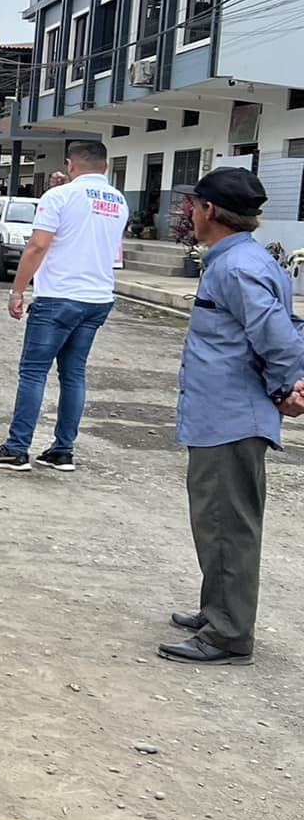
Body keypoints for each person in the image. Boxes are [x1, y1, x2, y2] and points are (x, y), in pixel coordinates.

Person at [160, 170, 304, 665]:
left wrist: (287, 387)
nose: (190, 213)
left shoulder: (238, 267)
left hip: (231, 417)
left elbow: (278, 336)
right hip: (221, 414)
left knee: (227, 525)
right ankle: (217, 611)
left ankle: (227, 634)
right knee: (216, 521)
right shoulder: (243, 259)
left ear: (208, 211)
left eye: (194, 205)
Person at [0, 139, 127, 472]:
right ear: (105, 165)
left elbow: (37, 246)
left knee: (33, 373)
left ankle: (17, 448)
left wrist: (17, 291)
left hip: (59, 296)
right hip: (98, 297)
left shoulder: (59, 196)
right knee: (73, 374)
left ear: (71, 165)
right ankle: (62, 450)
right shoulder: (118, 200)